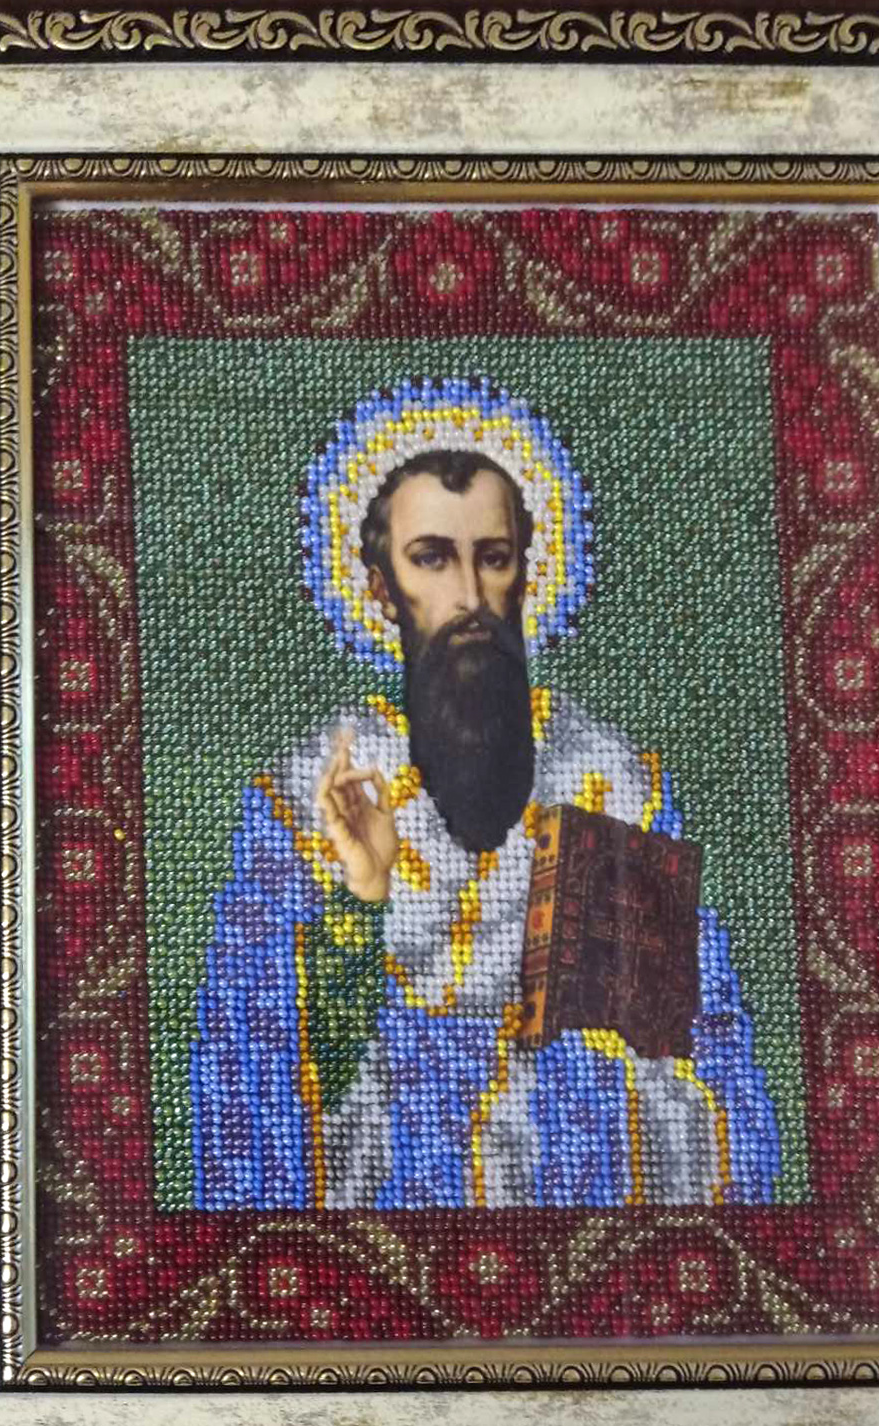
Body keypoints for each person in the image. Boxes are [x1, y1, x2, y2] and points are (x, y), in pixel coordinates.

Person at [190, 407, 780, 1211]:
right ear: (379, 587)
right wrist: (361, 897)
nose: (468, 595)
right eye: (431, 559)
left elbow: (696, 1060)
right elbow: (260, 1069)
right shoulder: (306, 803)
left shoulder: (611, 790)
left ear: (525, 576)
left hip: (578, 1221)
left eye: (492, 559)